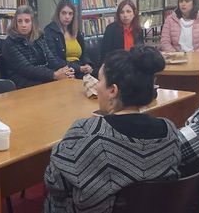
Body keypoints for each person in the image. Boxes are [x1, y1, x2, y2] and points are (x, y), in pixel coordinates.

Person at [44, 45, 180, 213]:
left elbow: (54, 183)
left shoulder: (85, 132)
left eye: (99, 80)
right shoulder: (170, 131)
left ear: (113, 90)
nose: (96, 86)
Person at [2, 5, 72, 89]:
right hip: (22, 82)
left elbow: (52, 60)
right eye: (19, 21)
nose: (23, 25)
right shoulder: (10, 43)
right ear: (15, 24)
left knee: (67, 80)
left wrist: (67, 71)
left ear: (33, 23)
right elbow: (27, 69)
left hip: (41, 78)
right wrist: (54, 75)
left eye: (27, 21)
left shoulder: (39, 38)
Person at [43, 0, 95, 79]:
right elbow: (54, 59)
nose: (67, 17)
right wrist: (78, 68)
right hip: (64, 71)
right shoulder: (50, 31)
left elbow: (84, 52)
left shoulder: (76, 31)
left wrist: (87, 64)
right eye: (64, 13)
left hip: (80, 69)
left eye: (70, 14)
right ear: (58, 14)